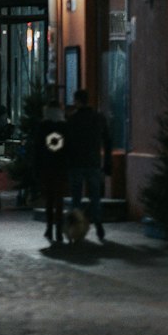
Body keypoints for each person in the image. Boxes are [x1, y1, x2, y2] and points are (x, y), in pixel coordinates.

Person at [65, 87, 112, 241]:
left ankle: (76, 230)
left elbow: (66, 143)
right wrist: (107, 162)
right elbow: (107, 141)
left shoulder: (71, 120)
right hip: (93, 163)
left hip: (76, 164)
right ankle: (98, 225)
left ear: (77, 101)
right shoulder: (99, 118)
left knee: (76, 199)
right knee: (95, 197)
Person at [37, 99, 68, 243]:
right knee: (59, 200)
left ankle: (49, 228)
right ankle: (59, 230)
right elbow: (70, 147)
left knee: (49, 200)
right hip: (61, 166)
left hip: (46, 167)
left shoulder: (42, 126)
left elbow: (37, 147)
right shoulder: (65, 126)